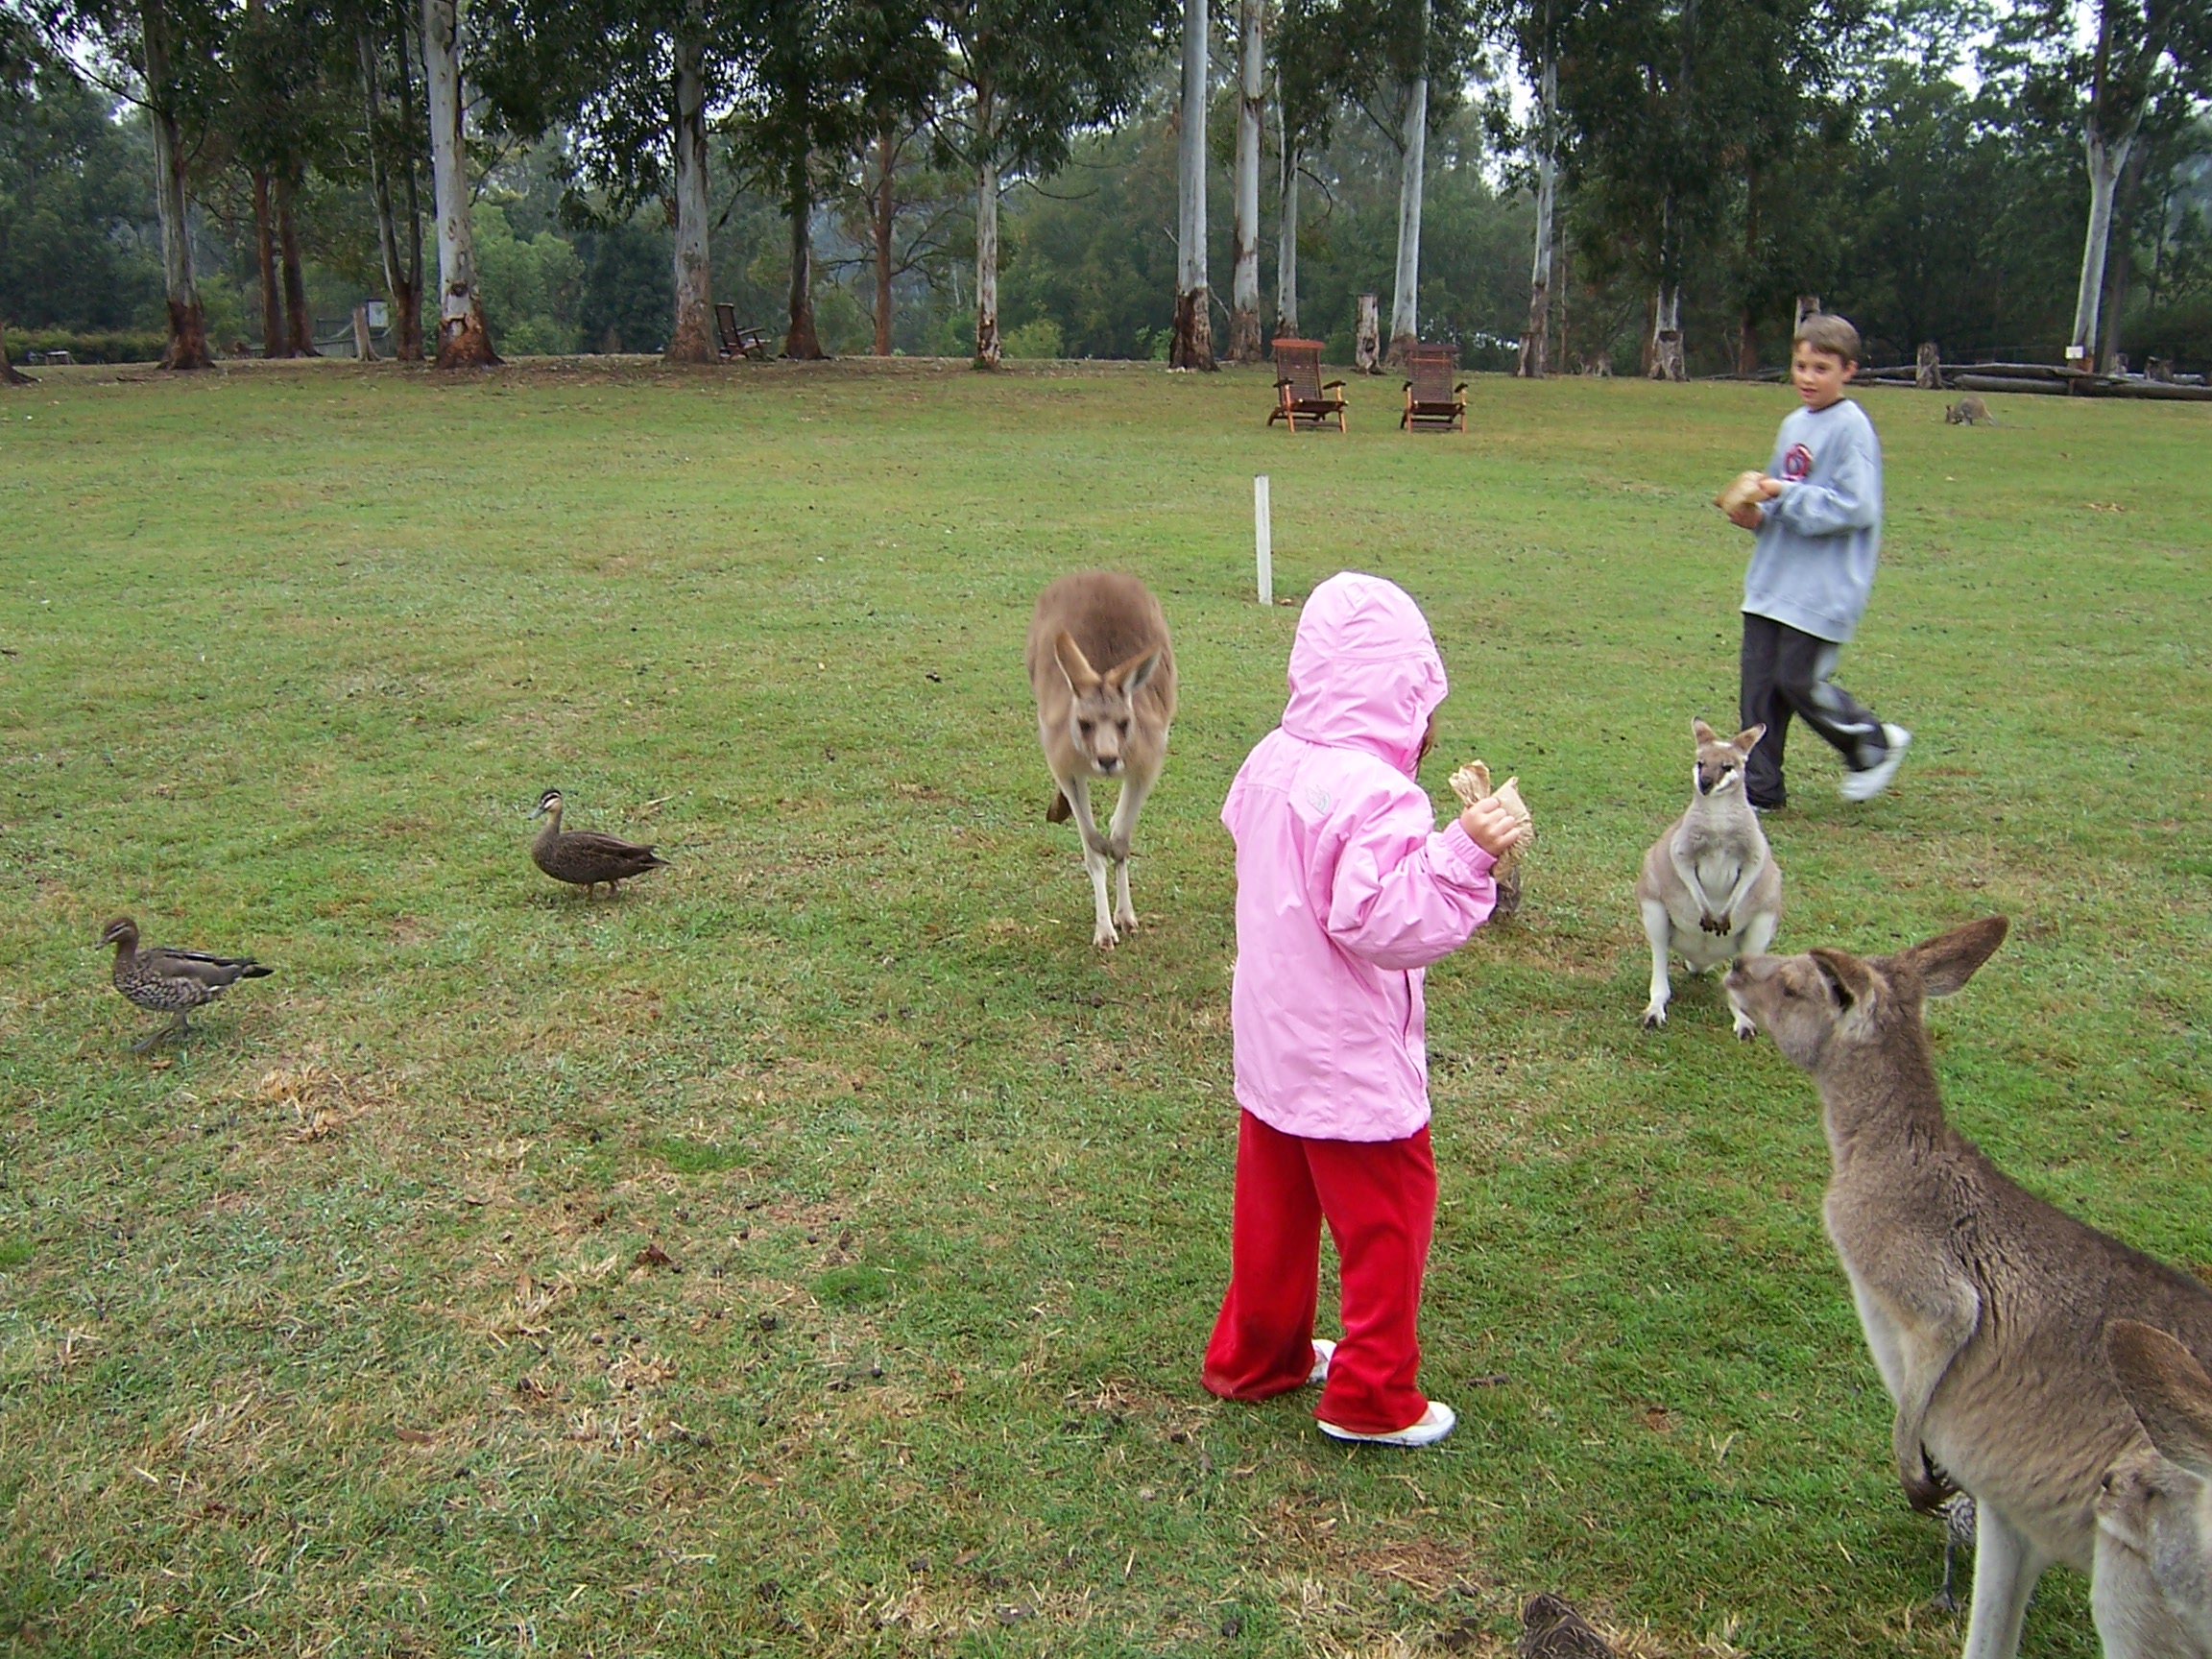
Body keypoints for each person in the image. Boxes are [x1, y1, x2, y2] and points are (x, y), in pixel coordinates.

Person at [1201, 572, 1528, 1448]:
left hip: (1273, 1038)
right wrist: (1465, 854)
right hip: (1347, 1058)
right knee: (1388, 1215)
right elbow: (1382, 919)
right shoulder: (1377, 794)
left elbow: (1259, 840)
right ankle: (1373, 1394)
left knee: (1273, 1199)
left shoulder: (1272, 758)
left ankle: (1257, 1354)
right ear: (1403, 691)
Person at [1724, 311, 1911, 809]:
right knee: (1759, 690)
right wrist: (1756, 517)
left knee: (1797, 680)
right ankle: (1761, 790)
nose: (1808, 377)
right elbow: (1779, 503)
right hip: (1772, 580)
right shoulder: (1793, 424)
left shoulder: (1852, 429)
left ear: (1848, 371)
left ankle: (1872, 741)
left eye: (1821, 368)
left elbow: (1856, 506)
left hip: (1821, 587)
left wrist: (1782, 493)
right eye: (1801, 365)